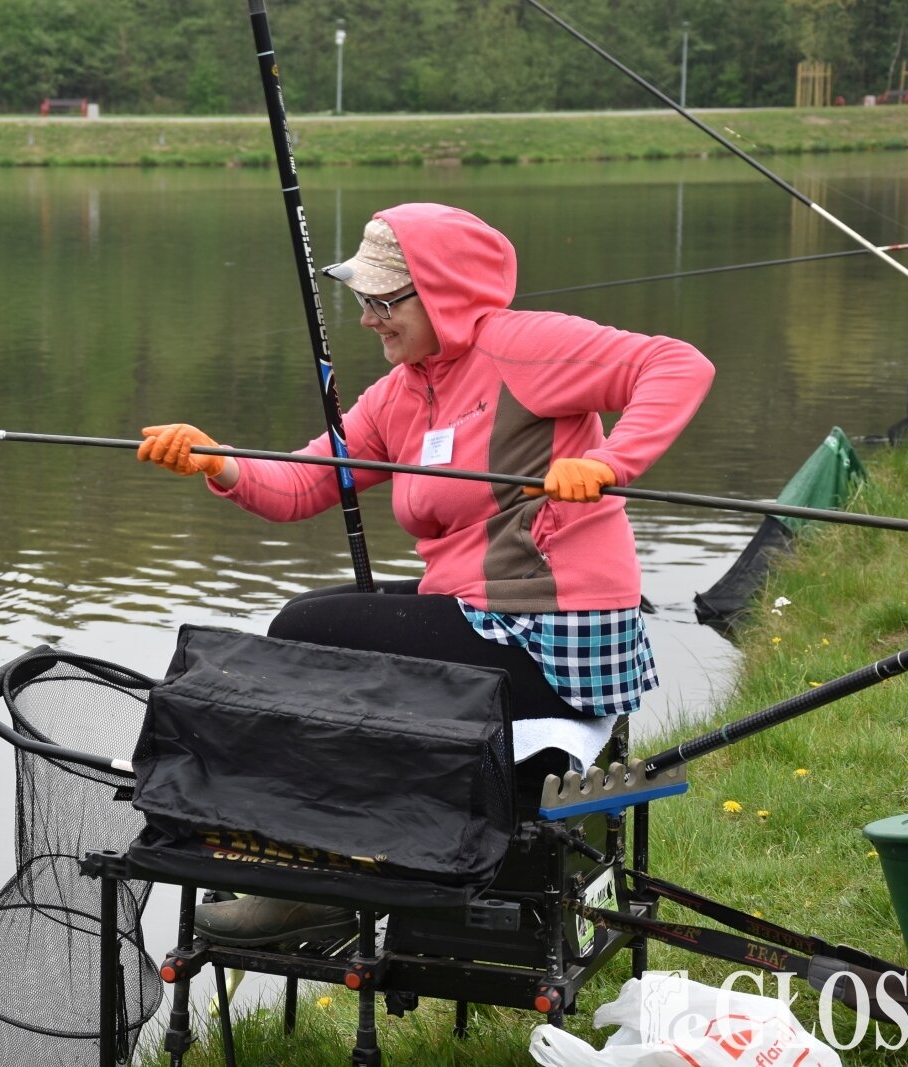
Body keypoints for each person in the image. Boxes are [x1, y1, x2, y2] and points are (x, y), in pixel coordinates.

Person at [137, 202, 714, 947]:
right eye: (362, 300)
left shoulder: (522, 345)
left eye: (384, 301)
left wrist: (608, 462)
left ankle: (322, 882)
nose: (370, 318)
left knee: (304, 630)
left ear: (443, 293)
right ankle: (333, 865)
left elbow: (675, 363)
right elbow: (310, 480)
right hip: (476, 612)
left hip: (553, 632)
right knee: (319, 622)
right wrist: (221, 462)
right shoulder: (403, 389)